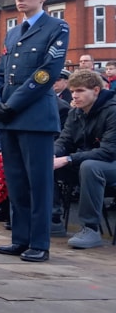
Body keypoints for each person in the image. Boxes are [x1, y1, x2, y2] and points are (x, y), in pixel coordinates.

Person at [0, 0, 69, 263]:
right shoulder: (13, 32)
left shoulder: (57, 27)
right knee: (16, 181)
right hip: (9, 117)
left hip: (34, 116)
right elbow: (0, 73)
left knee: (38, 183)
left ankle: (39, 242)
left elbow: (47, 72)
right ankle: (20, 238)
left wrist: (12, 103)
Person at [52, 69, 116, 249]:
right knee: (48, 164)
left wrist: (69, 159)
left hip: (110, 163)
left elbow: (108, 152)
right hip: (88, 161)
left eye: (80, 91)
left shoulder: (112, 111)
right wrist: (54, 154)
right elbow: (64, 140)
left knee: (89, 167)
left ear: (96, 90)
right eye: (72, 91)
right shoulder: (76, 112)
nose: (74, 95)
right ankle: (52, 219)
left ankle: (90, 228)